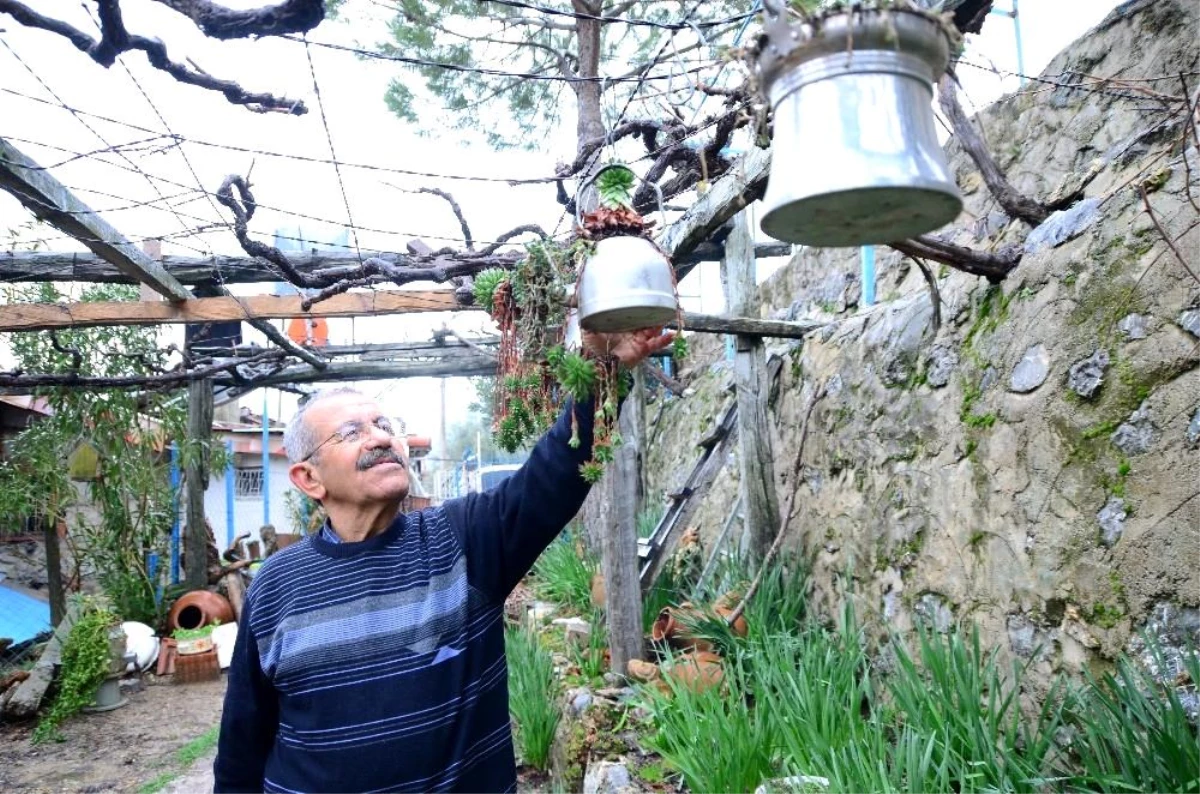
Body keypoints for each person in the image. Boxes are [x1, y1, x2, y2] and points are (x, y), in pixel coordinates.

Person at [213, 327, 673, 794]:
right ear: (308, 478)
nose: (381, 439)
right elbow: (242, 746)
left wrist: (601, 371)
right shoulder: (275, 585)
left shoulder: (464, 539)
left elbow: (552, 478)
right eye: (352, 432)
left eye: (386, 426)